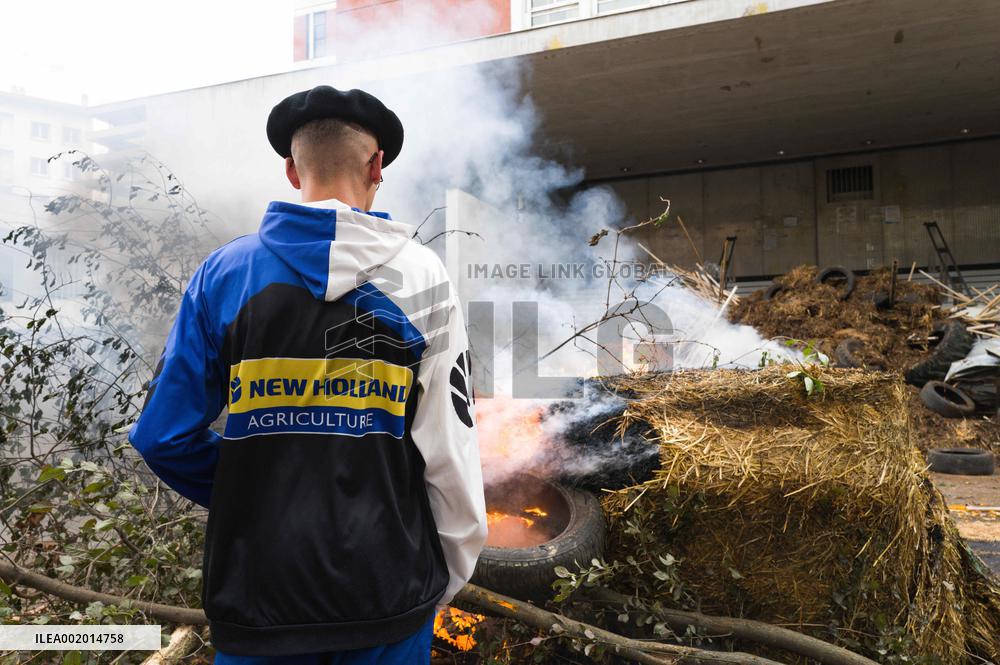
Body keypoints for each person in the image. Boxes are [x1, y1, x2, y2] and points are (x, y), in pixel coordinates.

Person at [129, 85, 488, 664]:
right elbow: (450, 448)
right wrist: (443, 576)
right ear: (376, 167)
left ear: (292, 171)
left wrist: (256, 485)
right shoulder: (422, 278)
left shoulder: (223, 275)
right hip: (386, 599)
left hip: (257, 603)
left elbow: (161, 437)